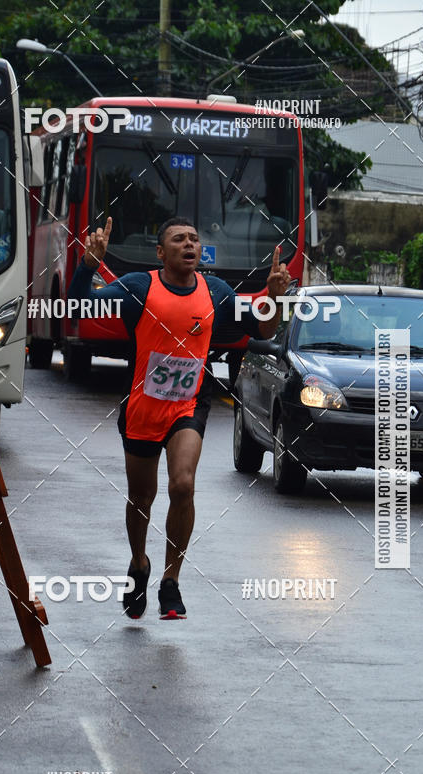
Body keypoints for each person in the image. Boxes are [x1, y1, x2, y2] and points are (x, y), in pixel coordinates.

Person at [69, 216, 290, 620]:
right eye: (178, 239)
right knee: (141, 498)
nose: (189, 245)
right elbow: (78, 308)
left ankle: (171, 580)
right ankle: (139, 564)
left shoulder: (216, 292)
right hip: (142, 407)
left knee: (183, 485)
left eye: (194, 239)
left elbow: (263, 329)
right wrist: (87, 266)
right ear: (161, 252)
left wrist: (273, 299)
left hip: (188, 405)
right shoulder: (140, 287)